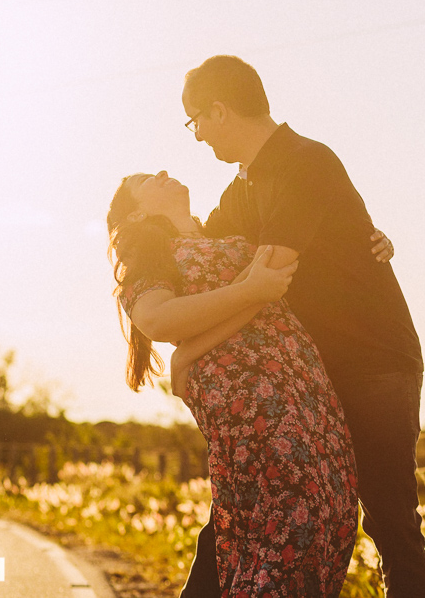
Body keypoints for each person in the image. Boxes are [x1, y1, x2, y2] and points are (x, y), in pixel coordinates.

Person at [177, 55, 425, 598]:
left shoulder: (304, 161)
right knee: (247, 503)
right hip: (307, 375)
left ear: (219, 111)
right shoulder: (243, 188)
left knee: (389, 519)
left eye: (195, 121)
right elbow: (203, 256)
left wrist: (188, 348)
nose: (196, 137)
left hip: (372, 362)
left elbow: (267, 273)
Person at [107, 170, 363, 597]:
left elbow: (291, 262)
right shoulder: (151, 251)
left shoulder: (225, 229)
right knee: (290, 517)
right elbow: (156, 319)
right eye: (148, 179)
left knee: (330, 508)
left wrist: (372, 241)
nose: (165, 174)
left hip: (301, 379)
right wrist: (251, 292)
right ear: (137, 212)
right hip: (244, 390)